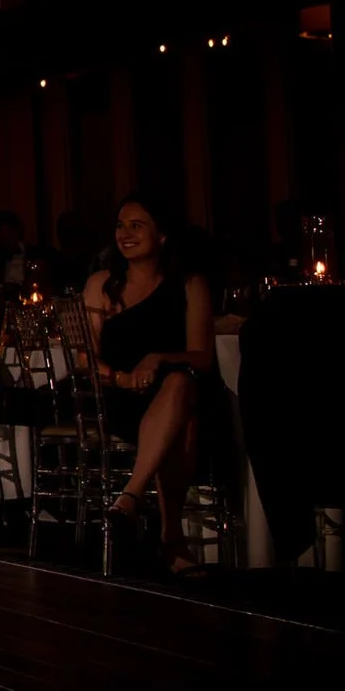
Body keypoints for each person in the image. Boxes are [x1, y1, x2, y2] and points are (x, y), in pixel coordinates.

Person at [85, 192, 216, 578]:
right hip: (119, 397)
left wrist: (158, 358)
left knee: (179, 385)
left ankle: (130, 497)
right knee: (183, 422)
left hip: (173, 390)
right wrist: (121, 377)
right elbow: (85, 359)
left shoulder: (189, 284)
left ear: (161, 236)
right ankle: (172, 540)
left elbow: (202, 357)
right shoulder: (101, 284)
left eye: (137, 225)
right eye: (121, 225)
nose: (125, 234)